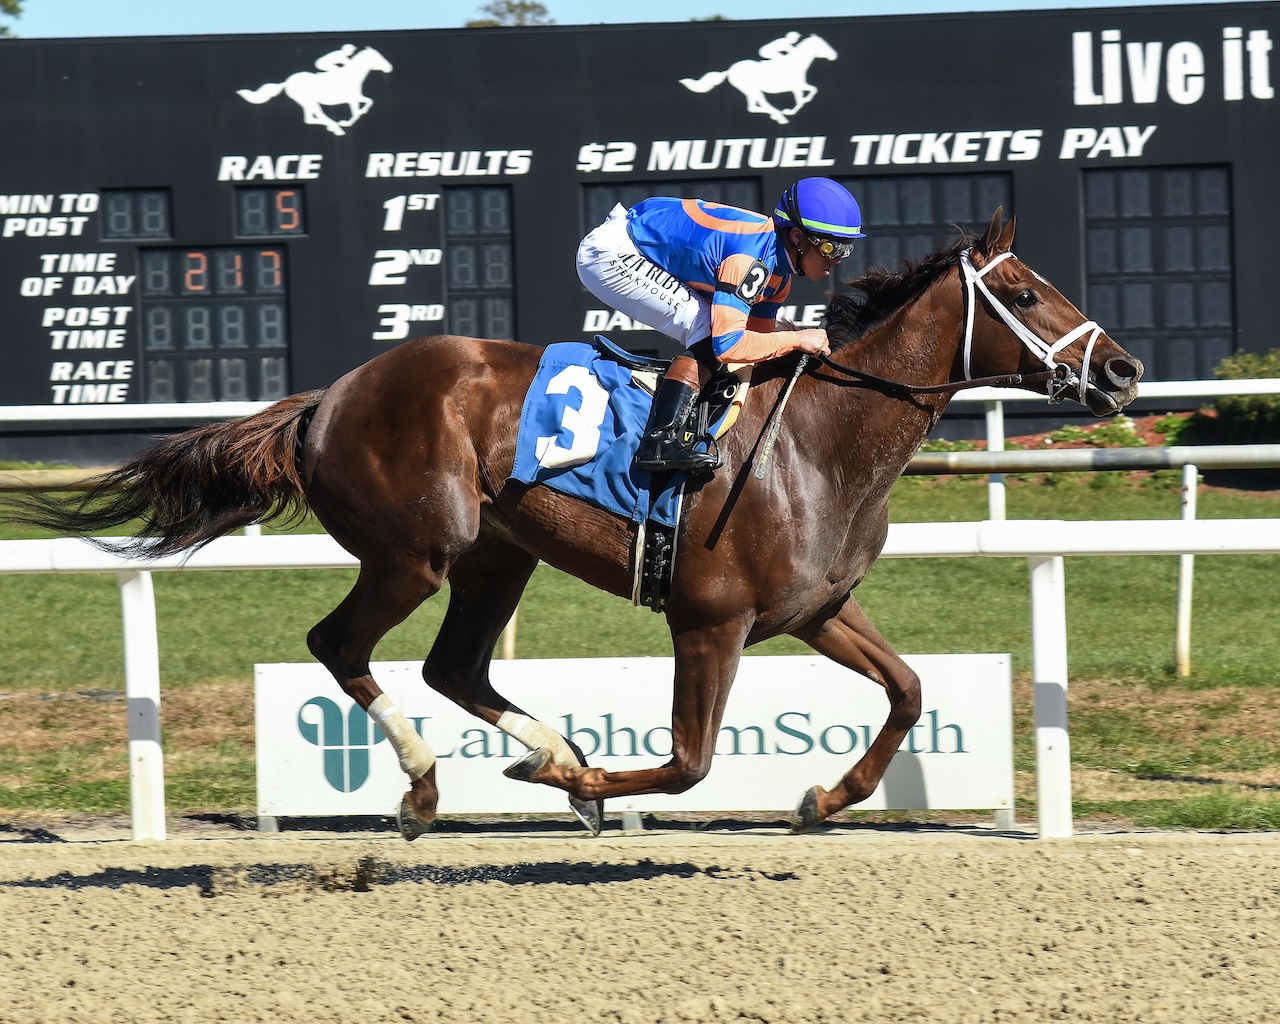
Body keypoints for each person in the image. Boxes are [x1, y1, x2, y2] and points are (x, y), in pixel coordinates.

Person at [576, 176, 865, 473]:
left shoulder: (778, 279)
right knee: (709, 330)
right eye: (832, 247)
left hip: (642, 236)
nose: (839, 259)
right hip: (611, 253)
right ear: (796, 237)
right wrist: (797, 339)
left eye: (847, 249)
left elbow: (756, 346)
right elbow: (729, 346)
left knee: (725, 337)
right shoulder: (749, 261)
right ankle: (659, 442)